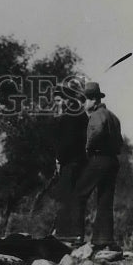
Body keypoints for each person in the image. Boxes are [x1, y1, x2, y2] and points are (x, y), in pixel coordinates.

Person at [71, 81, 123, 250]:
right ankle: (103, 239)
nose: (83, 104)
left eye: (84, 100)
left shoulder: (96, 115)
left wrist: (88, 147)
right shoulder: (113, 117)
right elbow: (120, 142)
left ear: (93, 100)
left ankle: (76, 238)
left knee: (78, 193)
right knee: (105, 200)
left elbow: (98, 129)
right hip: (112, 161)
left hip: (99, 159)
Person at [49, 87, 89, 245]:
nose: (57, 104)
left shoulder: (70, 116)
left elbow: (67, 143)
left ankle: (67, 235)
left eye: (59, 100)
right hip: (78, 163)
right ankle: (74, 235)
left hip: (71, 163)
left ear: (67, 100)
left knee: (67, 197)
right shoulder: (79, 115)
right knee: (73, 198)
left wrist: (59, 159)